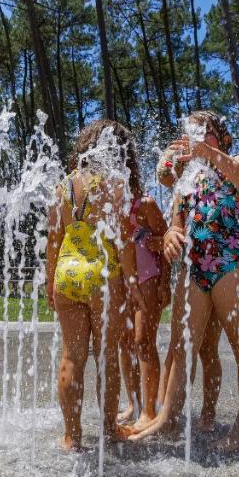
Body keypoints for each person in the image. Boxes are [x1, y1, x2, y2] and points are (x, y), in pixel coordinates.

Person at [131, 111, 239, 452]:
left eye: (205, 133)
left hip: (229, 266)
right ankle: (166, 420)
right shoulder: (189, 176)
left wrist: (209, 154)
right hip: (194, 267)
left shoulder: (237, 160)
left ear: (222, 138)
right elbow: (176, 219)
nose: (197, 140)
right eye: (193, 135)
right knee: (181, 346)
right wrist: (173, 233)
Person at [45, 120, 141, 451]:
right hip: (103, 275)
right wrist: (132, 282)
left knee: (71, 356)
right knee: (106, 356)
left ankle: (71, 437)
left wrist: (49, 283)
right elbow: (124, 240)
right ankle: (109, 429)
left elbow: (53, 241)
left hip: (67, 274)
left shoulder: (64, 187)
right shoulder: (114, 186)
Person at [116, 186, 170, 428]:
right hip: (121, 279)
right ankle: (133, 403)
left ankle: (149, 411)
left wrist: (165, 284)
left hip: (148, 278)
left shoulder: (145, 204)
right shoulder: (110, 203)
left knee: (143, 340)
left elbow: (167, 240)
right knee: (125, 342)